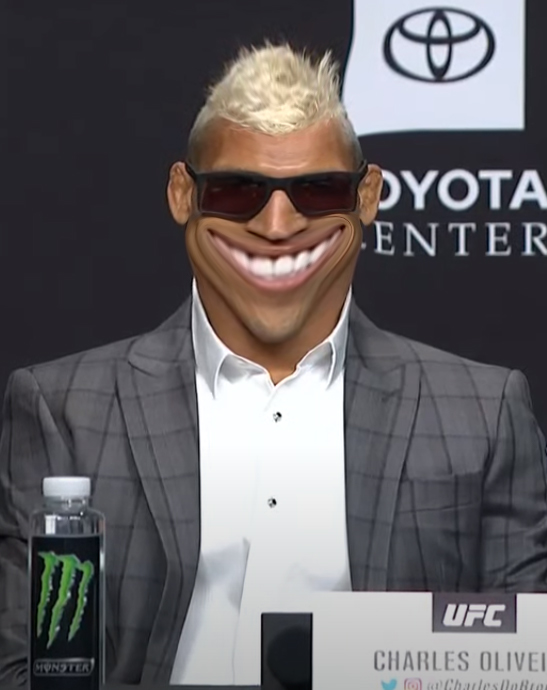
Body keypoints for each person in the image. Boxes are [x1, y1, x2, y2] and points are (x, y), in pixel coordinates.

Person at [1, 43, 546, 687]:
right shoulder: (63, 409)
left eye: (318, 191)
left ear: (367, 197)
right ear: (183, 195)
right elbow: (22, 670)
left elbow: (522, 664)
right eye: (238, 192)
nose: (279, 225)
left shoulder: (483, 415)